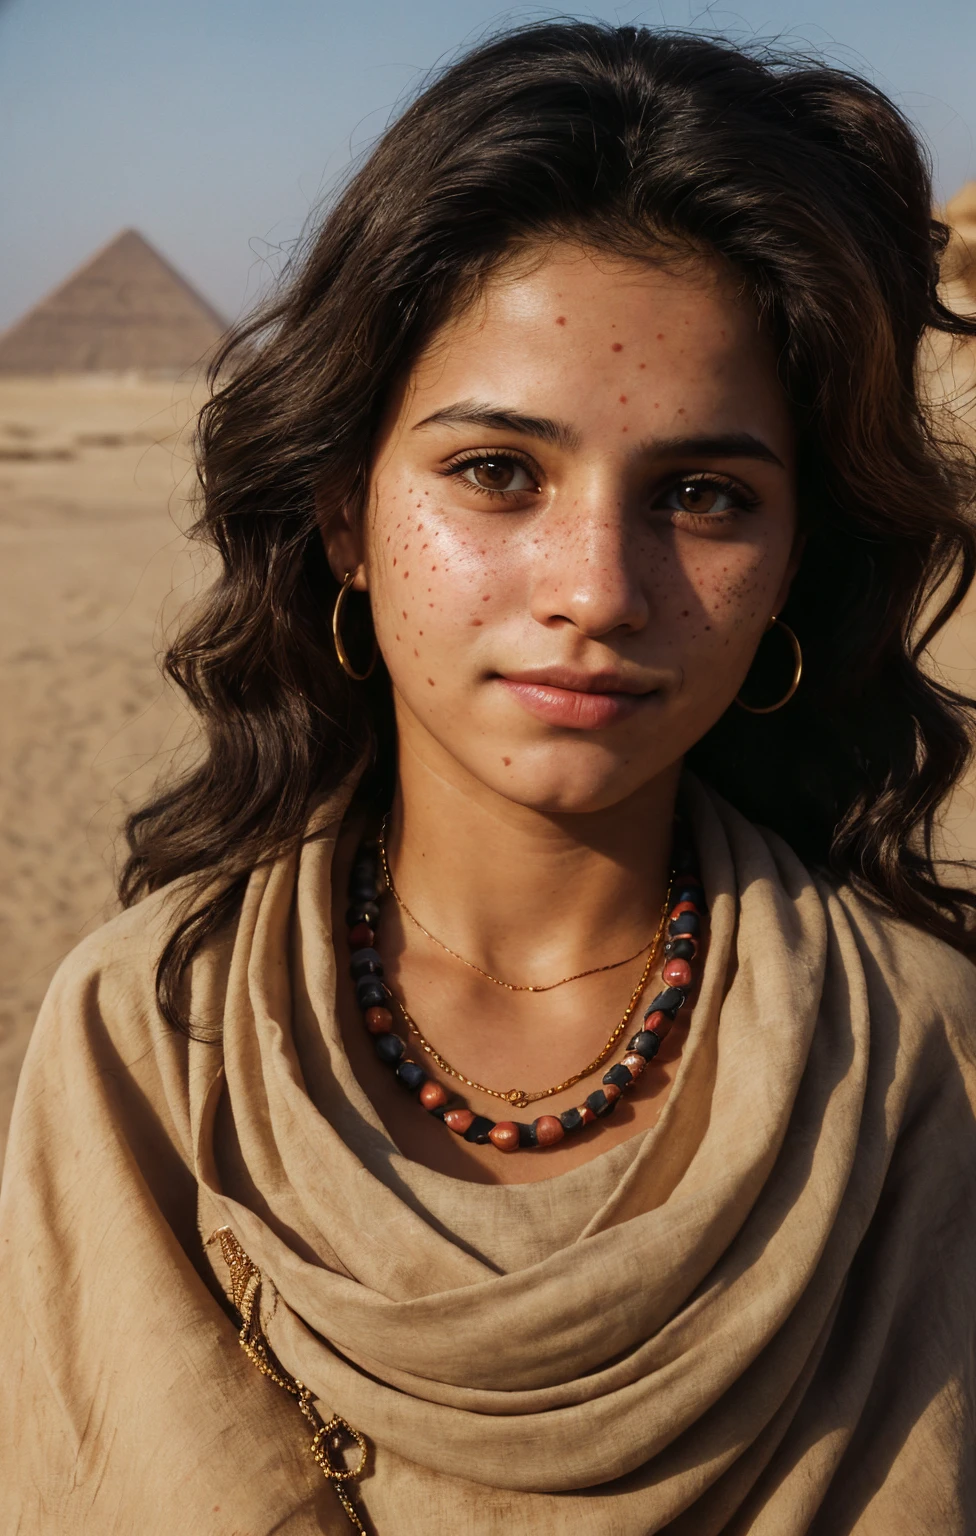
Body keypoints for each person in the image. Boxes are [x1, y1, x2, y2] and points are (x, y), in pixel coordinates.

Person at [2, 21, 975, 1535]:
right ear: (342, 512)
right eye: (497, 472)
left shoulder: (931, 1062)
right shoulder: (151, 1046)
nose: (597, 586)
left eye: (704, 496)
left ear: (797, 562)